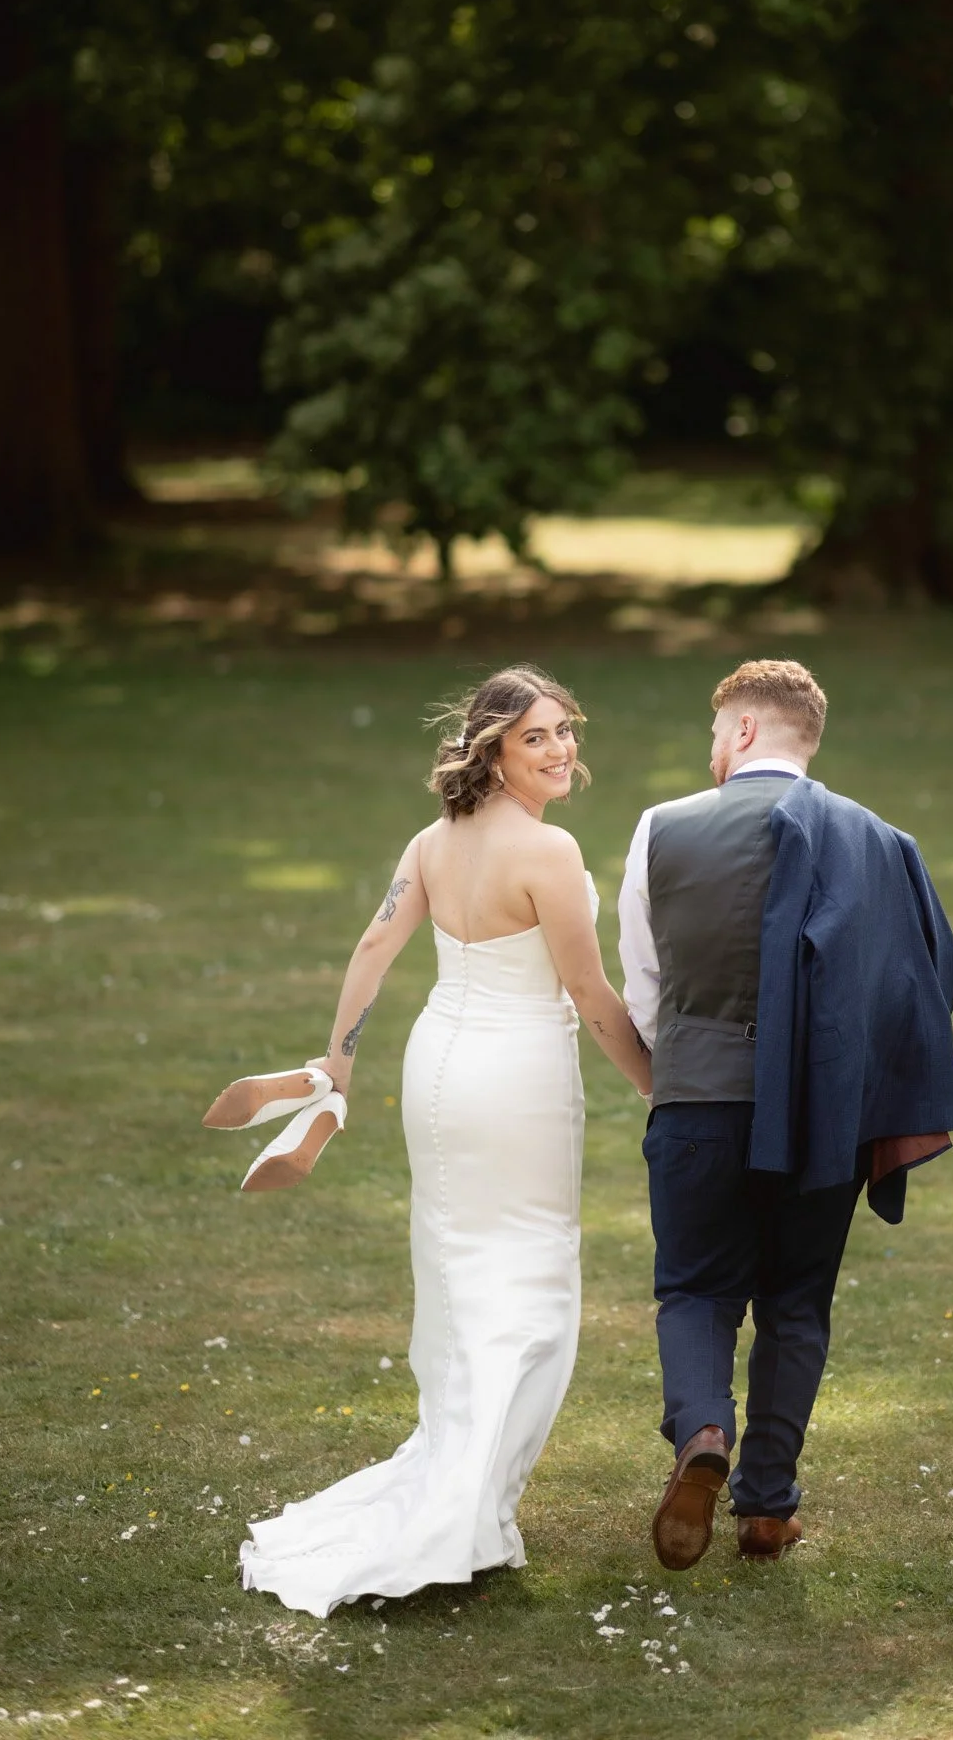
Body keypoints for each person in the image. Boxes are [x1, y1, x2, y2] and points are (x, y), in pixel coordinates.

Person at [202, 666, 651, 1616]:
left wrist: (338, 1069)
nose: (563, 749)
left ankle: (465, 1477)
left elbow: (372, 952)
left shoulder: (431, 842)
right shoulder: (552, 852)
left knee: (455, 1272)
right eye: (538, 737)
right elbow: (589, 993)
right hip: (518, 1078)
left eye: (567, 730)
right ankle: (471, 1509)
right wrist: (666, 1090)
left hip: (436, 1067)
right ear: (492, 747)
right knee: (528, 1282)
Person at [618, 658, 953, 1571]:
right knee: (797, 1302)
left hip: (696, 1098)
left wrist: (686, 1069)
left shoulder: (662, 828)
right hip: (823, 1117)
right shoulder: (882, 843)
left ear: (738, 731)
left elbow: (645, 987)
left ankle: (701, 1435)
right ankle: (767, 1509)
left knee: (695, 1289)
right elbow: (925, 981)